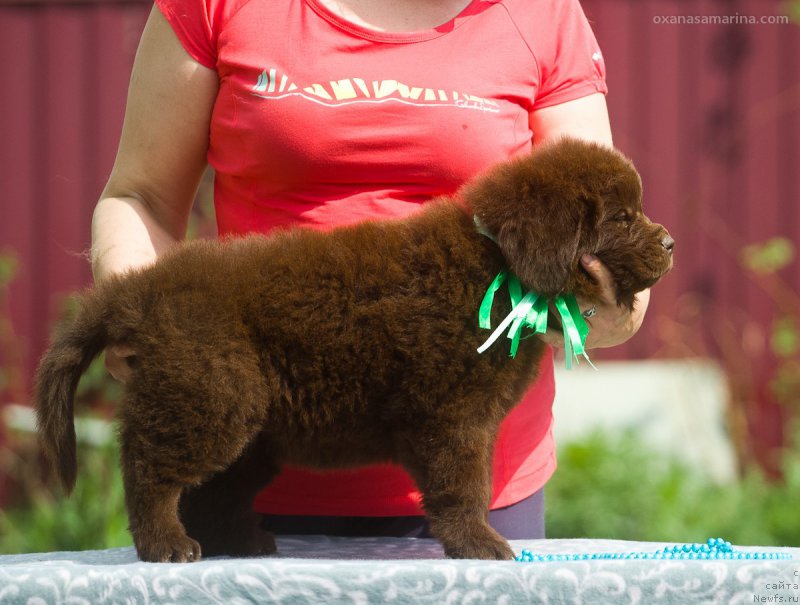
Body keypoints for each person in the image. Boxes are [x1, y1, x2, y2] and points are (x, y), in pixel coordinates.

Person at [92, 0, 650, 541]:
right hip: (244, 466)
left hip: (477, 493)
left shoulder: (541, 11)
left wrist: (601, 309)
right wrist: (140, 310)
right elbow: (141, 195)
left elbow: (601, 221)